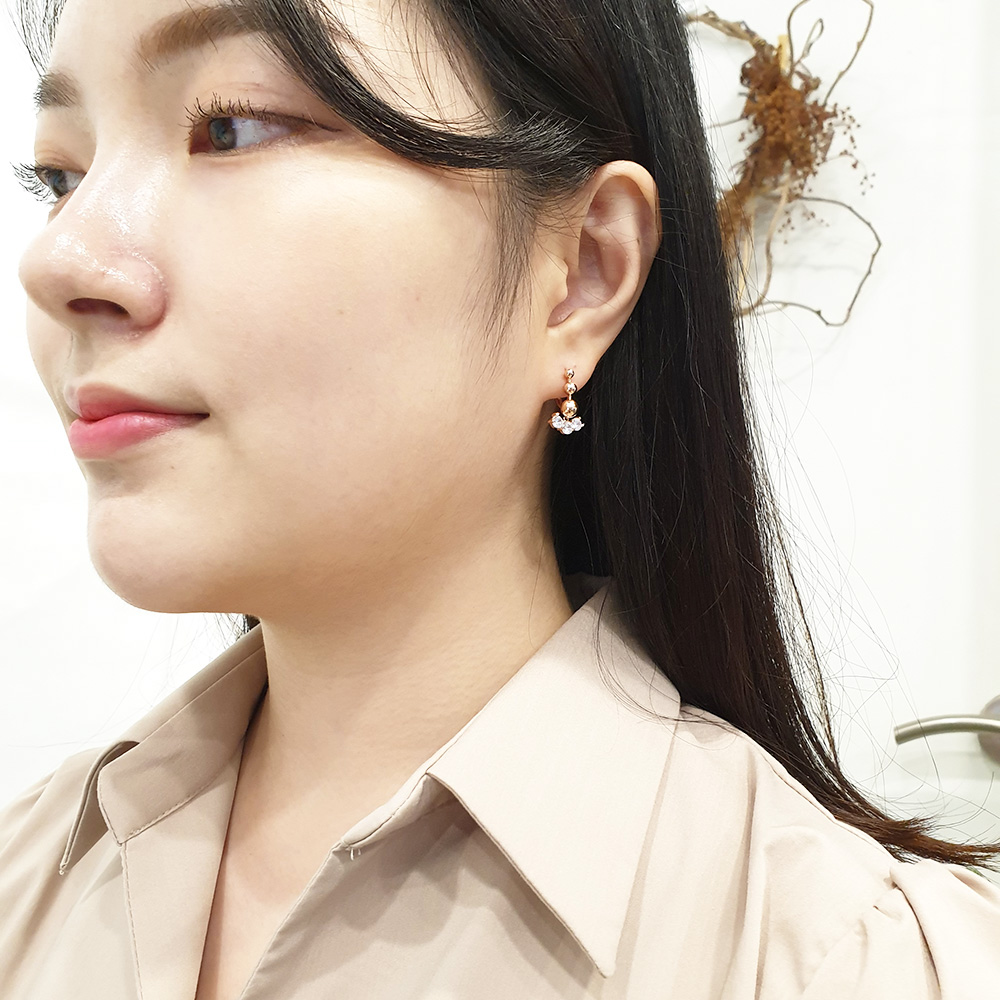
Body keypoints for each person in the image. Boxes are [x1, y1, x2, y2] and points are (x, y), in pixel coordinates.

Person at [2, 0, 999, 997]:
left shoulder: (850, 962)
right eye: (60, 176)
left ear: (581, 273)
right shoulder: (26, 879)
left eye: (231, 126)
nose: (57, 260)